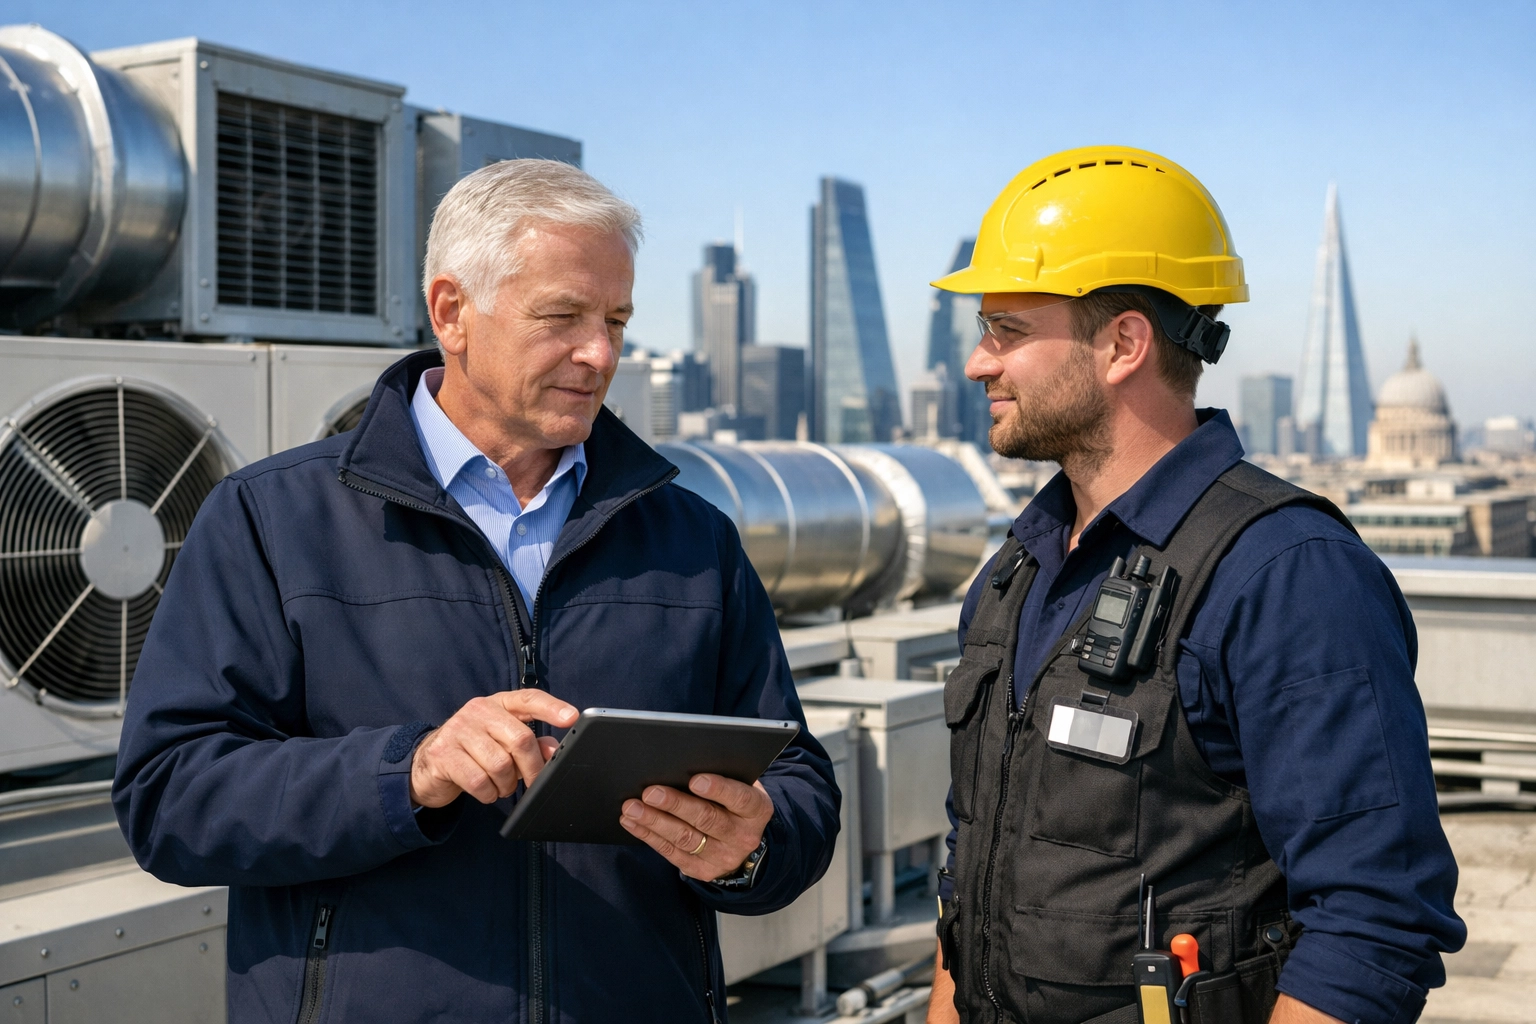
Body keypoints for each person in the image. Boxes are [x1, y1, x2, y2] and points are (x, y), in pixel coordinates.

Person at [113, 159, 840, 1023]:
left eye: (616, 320)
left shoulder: (694, 539)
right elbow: (169, 798)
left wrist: (752, 845)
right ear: (451, 312)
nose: (601, 353)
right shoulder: (270, 519)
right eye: (563, 317)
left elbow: (797, 778)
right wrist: (409, 770)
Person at [924, 146, 1463, 1024]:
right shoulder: (1015, 575)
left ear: (1123, 345)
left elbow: (1373, 924)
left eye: (1007, 330)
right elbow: (967, 873)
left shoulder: (1287, 576)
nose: (979, 363)